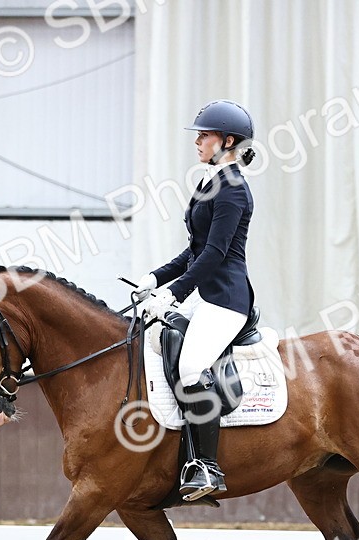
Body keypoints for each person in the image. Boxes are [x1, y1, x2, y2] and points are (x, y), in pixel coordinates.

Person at [131, 100, 257, 501]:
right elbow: (193, 251)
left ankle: (206, 467)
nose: (198, 141)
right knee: (155, 341)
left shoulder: (234, 190)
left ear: (228, 140)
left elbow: (215, 255)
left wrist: (174, 292)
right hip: (203, 292)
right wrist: (155, 278)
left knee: (190, 367)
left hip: (225, 300)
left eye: (204, 135)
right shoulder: (209, 183)